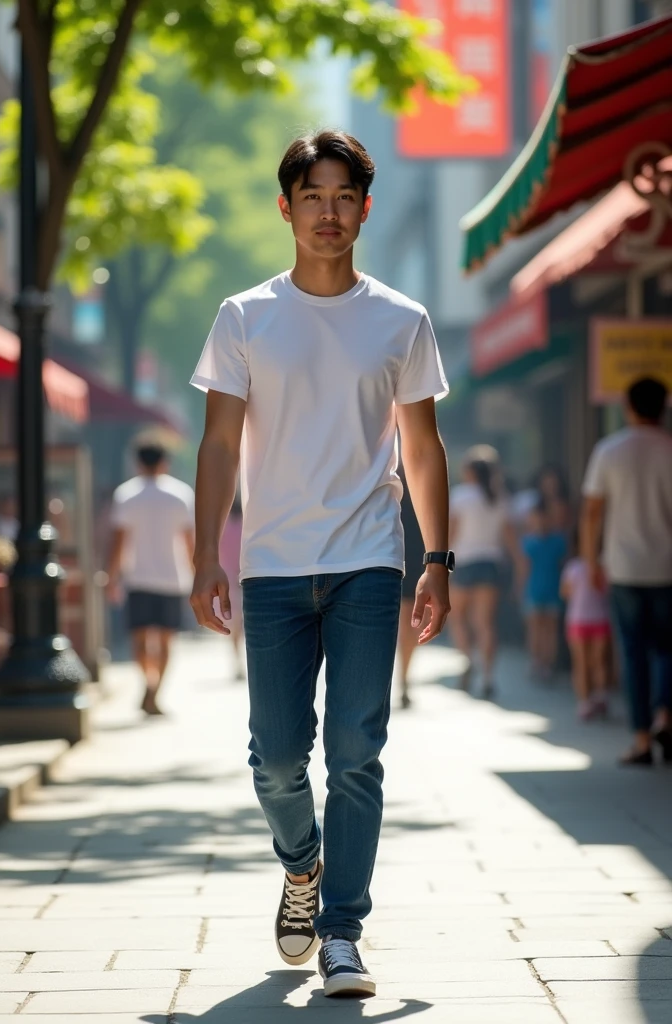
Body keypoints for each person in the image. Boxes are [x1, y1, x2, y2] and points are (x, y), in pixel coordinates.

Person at [189, 129, 451, 999]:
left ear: (364, 208)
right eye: (313, 198)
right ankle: (300, 867)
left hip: (368, 564)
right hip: (270, 567)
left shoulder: (402, 320)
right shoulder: (244, 316)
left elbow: (422, 445)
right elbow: (220, 441)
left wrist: (437, 560)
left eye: (344, 197)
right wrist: (205, 555)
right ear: (287, 208)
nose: (329, 213)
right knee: (274, 757)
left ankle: (342, 930)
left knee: (356, 754)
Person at [582, 377, 672, 766]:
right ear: (664, 406)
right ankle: (665, 714)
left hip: (623, 566)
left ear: (629, 407)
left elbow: (592, 512)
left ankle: (640, 739)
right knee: (668, 649)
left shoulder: (609, 450)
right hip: (668, 567)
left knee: (633, 654)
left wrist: (591, 561)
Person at [107, 444, 195, 716]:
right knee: (167, 640)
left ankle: (148, 683)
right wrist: (196, 572)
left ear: (138, 463)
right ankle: (154, 692)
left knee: (140, 638)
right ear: (164, 463)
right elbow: (189, 540)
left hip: (138, 577)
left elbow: (119, 541)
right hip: (173, 576)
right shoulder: (180, 494)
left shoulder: (126, 494)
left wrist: (112, 576)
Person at [449, 446, 518, 698]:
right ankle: (488, 676)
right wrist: (520, 566)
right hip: (491, 564)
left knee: (457, 618)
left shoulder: (461, 495)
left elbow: (451, 532)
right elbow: (510, 537)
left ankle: (468, 658)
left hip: (463, 562)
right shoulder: (500, 497)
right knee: (485, 623)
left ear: (470, 471)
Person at [560, 529, 612, 720]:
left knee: (598, 661)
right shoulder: (573, 568)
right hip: (579, 621)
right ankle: (584, 701)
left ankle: (600, 696)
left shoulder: (603, 568)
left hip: (597, 620)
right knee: (582, 663)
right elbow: (565, 592)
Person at [521, 500, 567, 679]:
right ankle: (536, 661)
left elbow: (564, 565)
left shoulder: (558, 542)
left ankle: (548, 664)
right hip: (533, 590)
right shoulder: (528, 542)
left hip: (553, 590)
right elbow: (524, 568)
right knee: (534, 629)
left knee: (551, 630)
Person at [396, 466, 426, 709]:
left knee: (409, 623)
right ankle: (403, 679)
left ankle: (403, 679)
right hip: (402, 560)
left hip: (400, 559)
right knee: (410, 624)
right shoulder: (425, 485)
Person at [218, 491, 245, 680]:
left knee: (233, 625)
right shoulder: (248, 525)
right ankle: (243, 661)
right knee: (247, 624)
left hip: (227, 581)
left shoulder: (223, 527)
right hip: (247, 576)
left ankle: (237, 661)